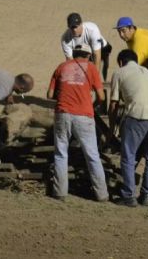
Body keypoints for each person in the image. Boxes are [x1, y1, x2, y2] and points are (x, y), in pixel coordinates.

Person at [46, 44, 109, 202]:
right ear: (88, 56)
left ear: (74, 54)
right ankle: (102, 194)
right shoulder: (92, 68)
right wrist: (91, 103)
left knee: (61, 153)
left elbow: (49, 94)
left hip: (62, 114)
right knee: (92, 155)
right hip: (83, 116)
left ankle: (60, 192)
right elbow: (101, 96)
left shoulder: (61, 67)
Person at [109, 49, 148, 207]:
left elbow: (113, 104)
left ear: (121, 62)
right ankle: (146, 195)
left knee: (128, 155)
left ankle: (128, 195)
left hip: (138, 113)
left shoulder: (119, 72)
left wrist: (111, 129)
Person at [61, 12, 111, 80]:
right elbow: (70, 61)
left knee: (101, 66)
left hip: (102, 47)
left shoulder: (92, 30)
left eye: (76, 27)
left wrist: (95, 79)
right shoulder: (65, 39)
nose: (74, 30)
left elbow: (97, 55)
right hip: (82, 51)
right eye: (71, 27)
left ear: (81, 24)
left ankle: (103, 79)